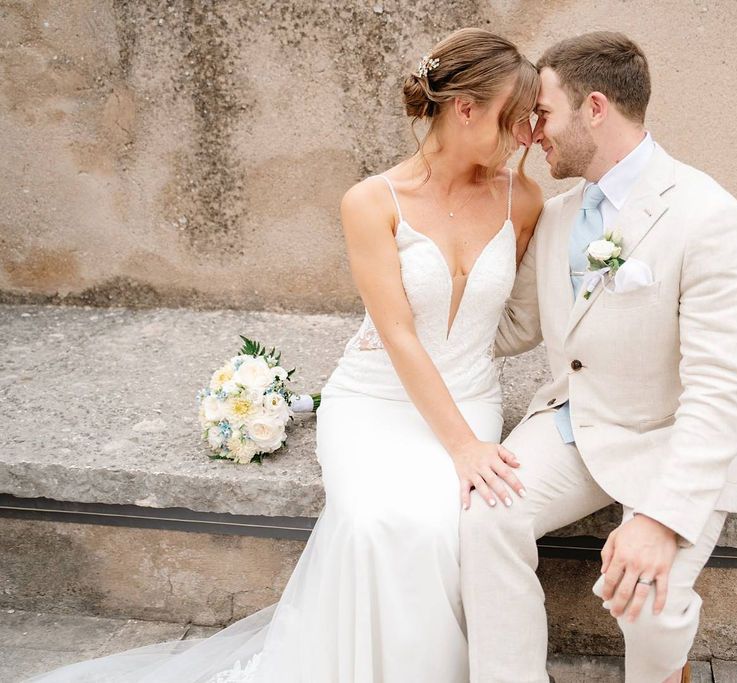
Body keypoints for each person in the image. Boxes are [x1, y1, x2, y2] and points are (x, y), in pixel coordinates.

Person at [23, 27, 542, 683]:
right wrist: (464, 448)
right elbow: (401, 335)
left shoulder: (521, 199)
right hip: (378, 402)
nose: (522, 138)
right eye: (511, 120)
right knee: (370, 521)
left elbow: (514, 313)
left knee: (442, 527)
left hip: (471, 396)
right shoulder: (370, 203)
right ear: (464, 109)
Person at [458, 32, 737, 683]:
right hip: (575, 423)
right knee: (484, 517)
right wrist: (405, 325)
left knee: (647, 598)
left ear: (594, 107)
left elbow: (720, 392)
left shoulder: (713, 219)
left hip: (670, 434)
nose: (531, 132)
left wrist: (659, 521)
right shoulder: (553, 215)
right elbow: (511, 324)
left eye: (542, 113)